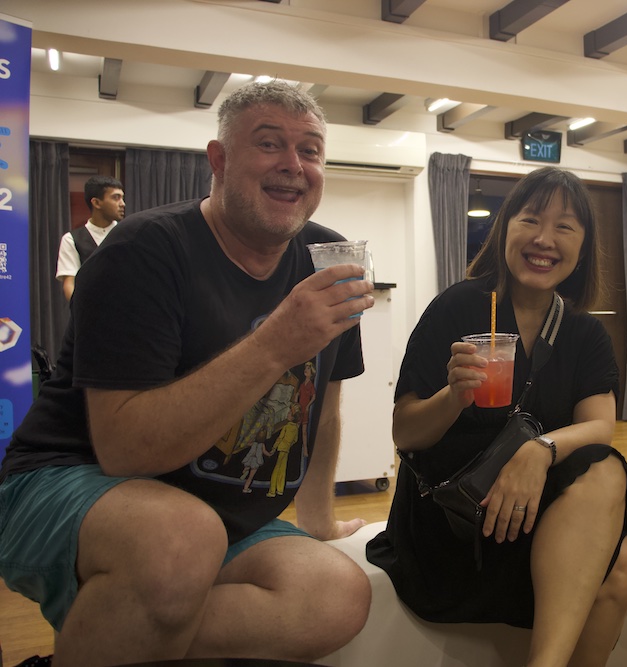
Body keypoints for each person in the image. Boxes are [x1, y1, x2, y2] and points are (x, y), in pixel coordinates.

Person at [0, 81, 375, 666]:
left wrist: (320, 521)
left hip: (216, 516)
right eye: (270, 144)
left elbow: (323, 408)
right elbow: (125, 450)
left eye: (311, 150)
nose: (293, 166)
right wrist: (275, 341)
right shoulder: (144, 250)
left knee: (336, 596)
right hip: (62, 480)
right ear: (219, 161)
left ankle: (110, 636)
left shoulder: (328, 258)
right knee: (178, 542)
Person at [367, 167, 627, 667]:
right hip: (452, 524)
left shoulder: (585, 334)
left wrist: (538, 450)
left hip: (531, 514)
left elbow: (600, 425)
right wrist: (453, 396)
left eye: (565, 227)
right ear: (505, 229)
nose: (544, 239)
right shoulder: (457, 307)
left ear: (583, 245)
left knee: (609, 486)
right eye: (531, 219)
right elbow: (404, 430)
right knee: (617, 556)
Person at [55, 175, 126, 302]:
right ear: (96, 203)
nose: (122, 204)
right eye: (116, 198)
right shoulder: (72, 239)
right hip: (89, 313)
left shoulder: (128, 234)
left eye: (122, 198)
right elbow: (69, 283)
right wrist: (81, 310)